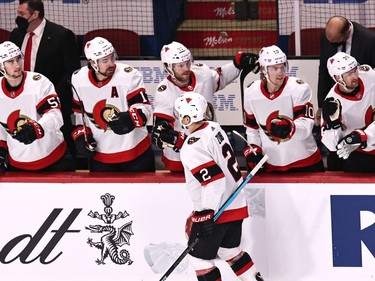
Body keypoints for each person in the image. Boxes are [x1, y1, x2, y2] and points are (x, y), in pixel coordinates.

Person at [174, 92, 264, 281]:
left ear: (186, 116)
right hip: (235, 206)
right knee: (230, 252)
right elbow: (203, 144)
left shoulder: (191, 148)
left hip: (216, 212)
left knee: (200, 261)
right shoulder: (214, 128)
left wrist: (206, 214)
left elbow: (214, 180)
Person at [151, 41, 259, 172]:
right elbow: (160, 132)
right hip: (182, 158)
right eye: (181, 65)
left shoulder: (202, 73)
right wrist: (175, 139)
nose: (186, 68)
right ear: (168, 68)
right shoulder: (165, 92)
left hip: (210, 149)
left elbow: (222, 77)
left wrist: (237, 64)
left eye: (187, 63)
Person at [9, 0, 81, 161]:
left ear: (35, 14)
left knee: (58, 133)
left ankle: (69, 167)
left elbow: (72, 71)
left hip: (52, 98)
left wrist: (51, 93)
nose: (17, 17)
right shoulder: (16, 34)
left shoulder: (62, 35)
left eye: (22, 14)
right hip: (20, 98)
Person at [70, 37, 155, 172]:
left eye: (112, 57)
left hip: (136, 153)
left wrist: (130, 118)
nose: (111, 63)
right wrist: (81, 136)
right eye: (105, 60)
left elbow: (143, 107)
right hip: (100, 156)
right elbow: (79, 114)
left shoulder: (129, 75)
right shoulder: (78, 79)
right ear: (92, 63)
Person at [242, 45, 324, 172]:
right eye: (275, 68)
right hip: (271, 166)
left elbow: (306, 125)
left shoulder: (299, 88)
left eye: (282, 66)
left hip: (305, 163)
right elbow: (252, 129)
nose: (280, 72)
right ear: (264, 69)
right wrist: (254, 149)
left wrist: (290, 126)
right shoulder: (250, 92)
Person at [0, 41, 74, 172]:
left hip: (54, 159)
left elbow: (55, 115)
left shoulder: (39, 83)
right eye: (10, 62)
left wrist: (37, 127)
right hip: (17, 164)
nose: (17, 65)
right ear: (1, 66)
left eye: (18, 59)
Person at [321, 52, 375, 172]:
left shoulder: (369, 75)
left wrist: (363, 136)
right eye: (349, 74)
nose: (355, 76)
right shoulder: (332, 102)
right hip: (360, 155)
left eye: (355, 70)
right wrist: (333, 125)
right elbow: (331, 146)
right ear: (337, 78)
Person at [318, 15, 375, 111]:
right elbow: (324, 71)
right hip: (338, 100)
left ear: (347, 33)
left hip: (365, 101)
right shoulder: (327, 37)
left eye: (336, 41)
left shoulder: (370, 40)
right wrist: (322, 105)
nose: (332, 44)